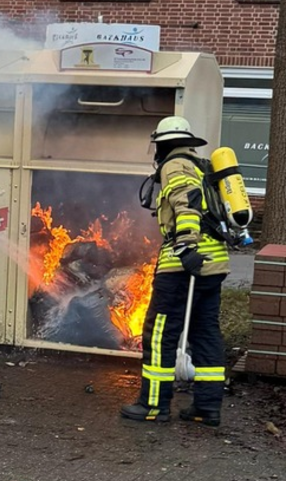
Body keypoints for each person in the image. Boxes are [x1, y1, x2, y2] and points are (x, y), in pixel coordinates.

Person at [121, 116, 230, 425]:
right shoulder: (202, 165)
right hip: (214, 261)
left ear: (164, 144)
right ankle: (207, 407)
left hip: (184, 264)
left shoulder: (175, 165)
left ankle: (153, 405)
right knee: (205, 332)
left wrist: (185, 247)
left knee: (159, 334)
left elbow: (187, 203)